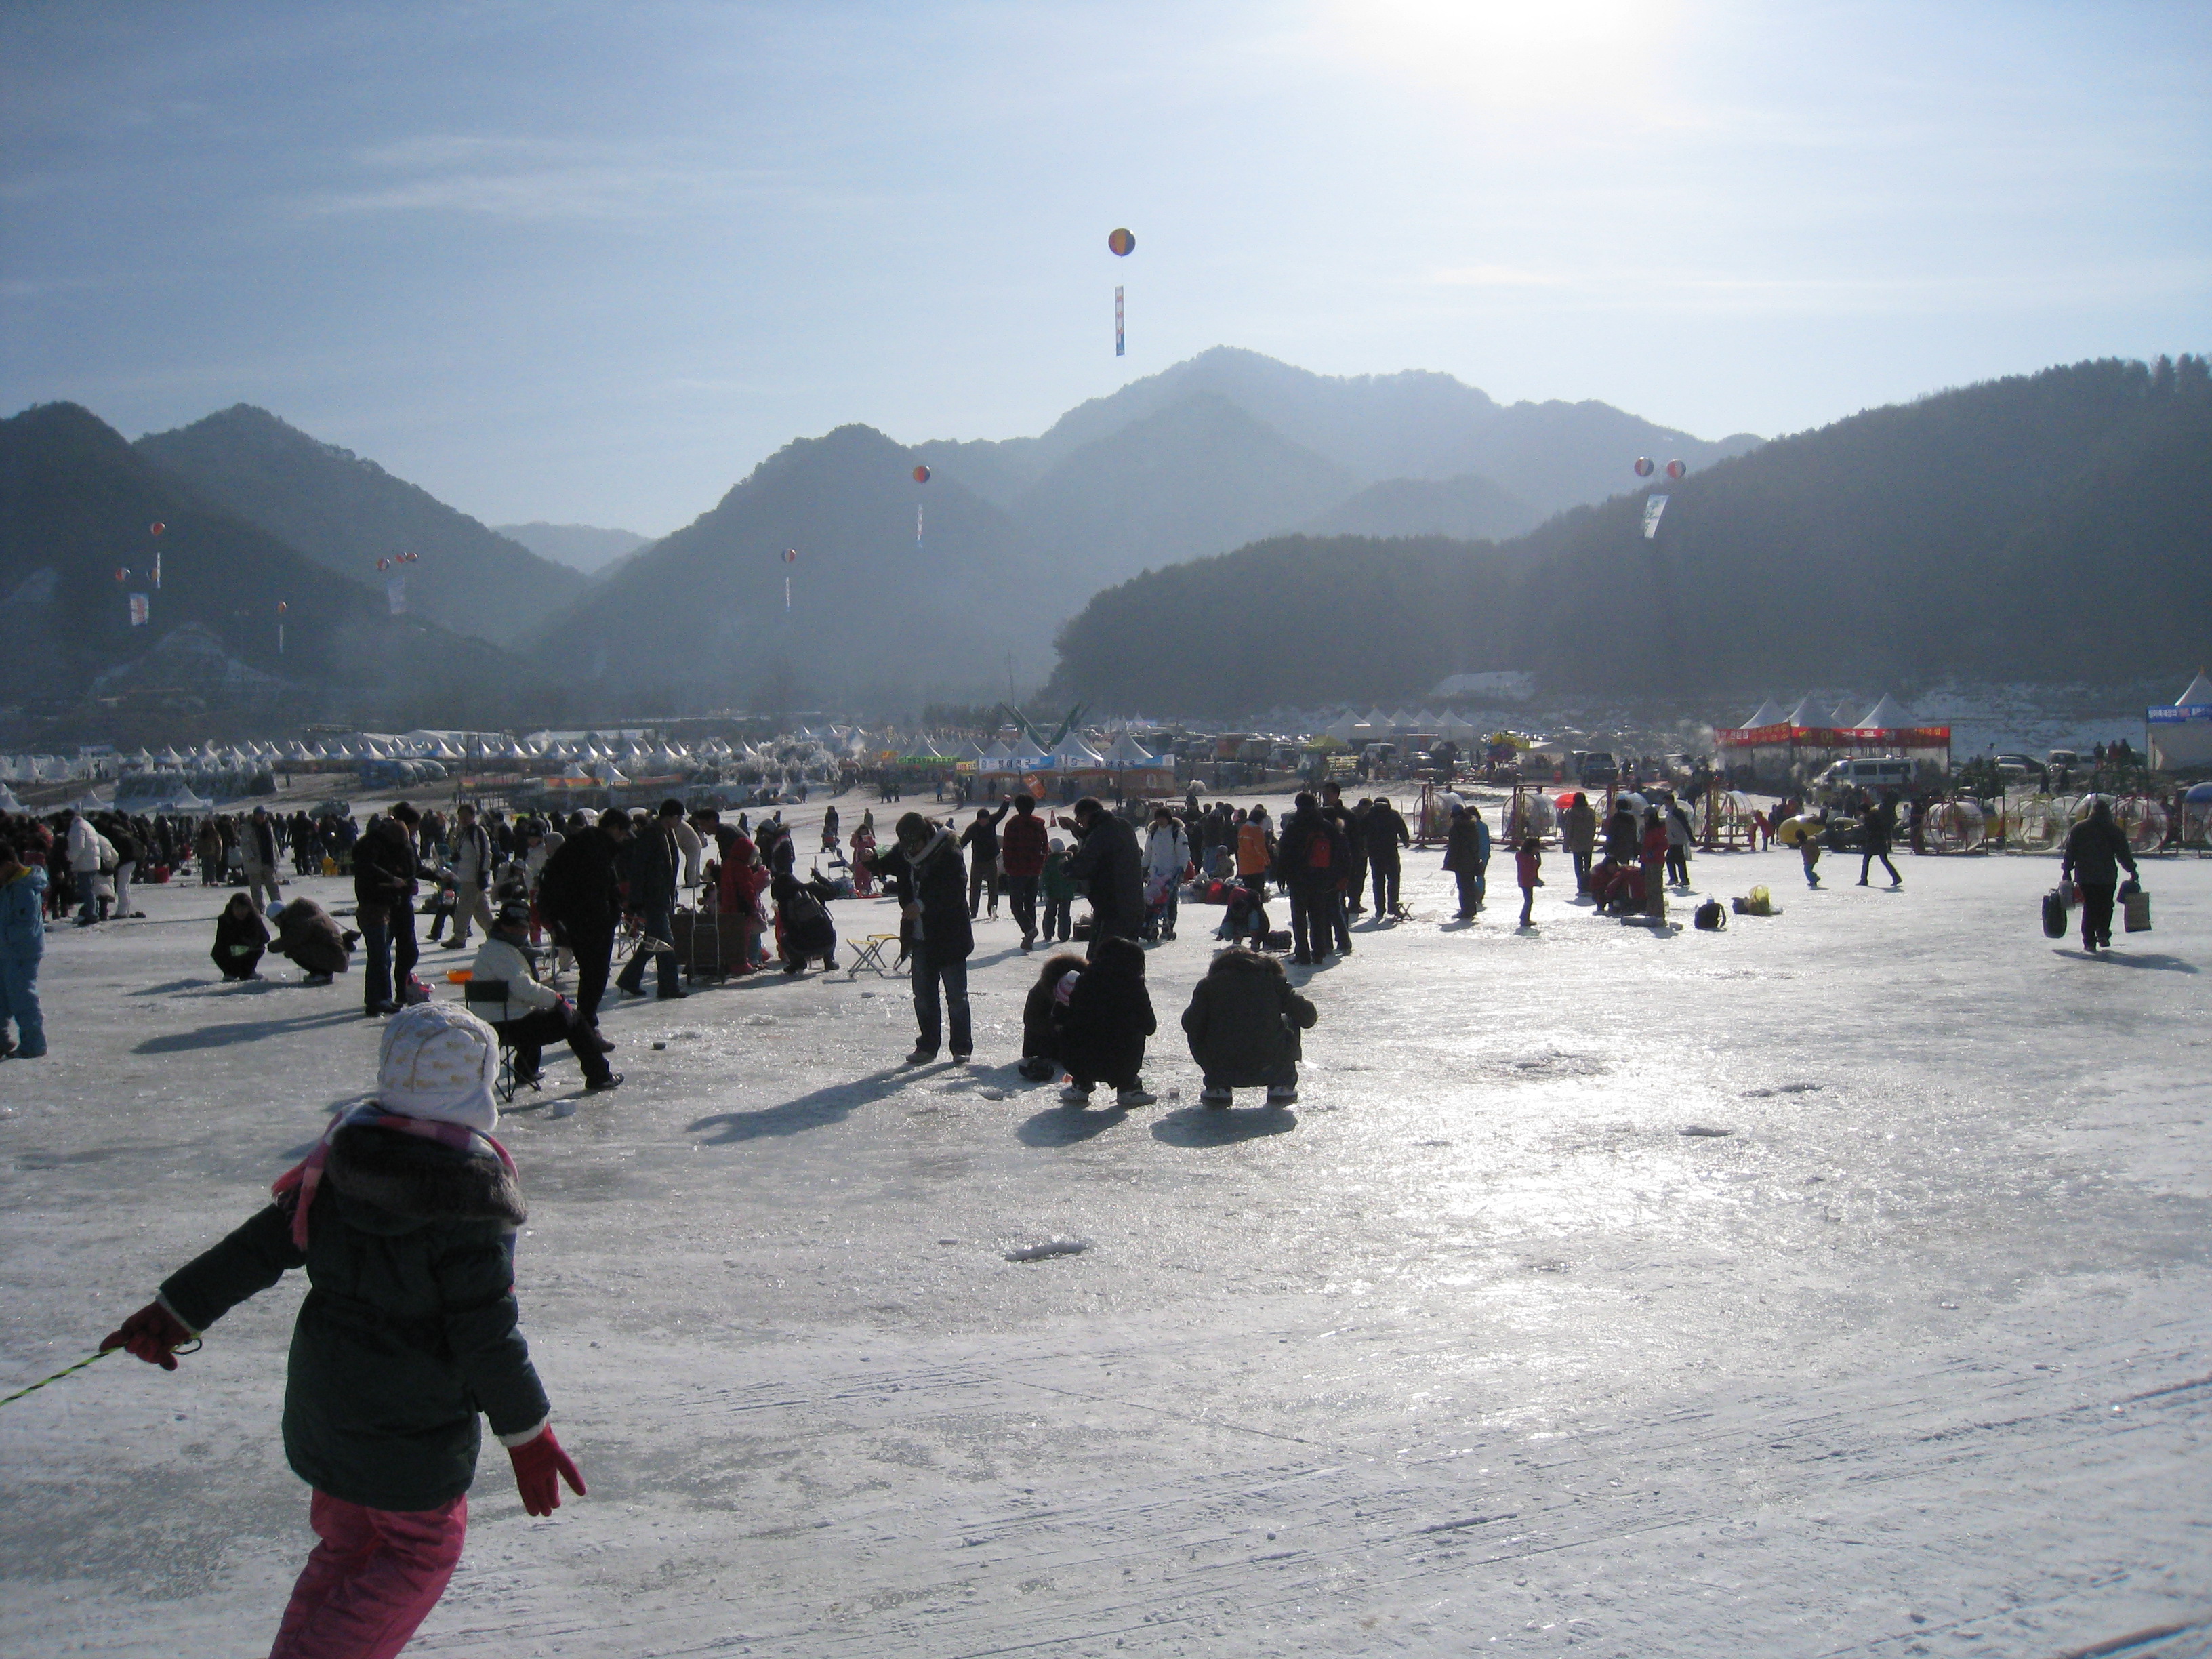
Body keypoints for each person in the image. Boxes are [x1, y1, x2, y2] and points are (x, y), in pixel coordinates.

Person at [99, 1002, 585, 1659]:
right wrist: (528, 1435)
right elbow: (486, 1335)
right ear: (477, 1088)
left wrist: (174, 1312)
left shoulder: (340, 1162)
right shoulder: (468, 1201)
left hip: (326, 1408)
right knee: (421, 1551)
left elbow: (258, 1248)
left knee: (349, 1545)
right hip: (409, 1432)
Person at [470, 902, 620, 1090]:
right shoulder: (501, 953)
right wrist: (558, 1000)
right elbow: (525, 989)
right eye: (511, 926)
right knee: (573, 1019)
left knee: (534, 1011)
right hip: (504, 1026)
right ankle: (600, 1076)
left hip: (496, 1020)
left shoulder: (495, 947)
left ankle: (526, 1071)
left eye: (521, 927)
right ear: (501, 925)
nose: (516, 931)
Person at [865, 812, 973, 1064]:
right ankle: (927, 1046)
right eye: (907, 846)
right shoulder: (906, 851)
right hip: (920, 936)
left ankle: (961, 1047)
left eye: (914, 845)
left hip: (950, 935)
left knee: (957, 997)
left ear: (926, 836)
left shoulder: (948, 851)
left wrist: (923, 905)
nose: (911, 850)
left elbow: (954, 890)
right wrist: (871, 860)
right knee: (923, 997)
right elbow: (888, 864)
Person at [1183, 945, 1316, 1108]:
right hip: (1269, 1065)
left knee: (1198, 1023)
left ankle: (1217, 1087)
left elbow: (1189, 1024)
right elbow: (1308, 1017)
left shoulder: (1208, 985)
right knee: (1291, 1019)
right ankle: (1282, 1084)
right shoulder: (1273, 981)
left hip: (1222, 1068)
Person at [533, 809, 631, 1026]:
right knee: (594, 975)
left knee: (593, 975)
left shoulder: (588, 844)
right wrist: (606, 916)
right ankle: (585, 1027)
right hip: (588, 921)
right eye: (624, 832)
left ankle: (586, 1024)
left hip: (582, 919)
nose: (624, 838)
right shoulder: (593, 848)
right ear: (615, 828)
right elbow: (593, 890)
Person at [1054, 933, 1156, 1107]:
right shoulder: (1133, 987)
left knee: (1076, 1030)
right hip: (1121, 1060)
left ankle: (1081, 1084)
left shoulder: (1083, 982)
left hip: (1080, 1059)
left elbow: (1065, 1016)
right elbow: (1149, 1026)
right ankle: (1128, 1088)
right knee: (1132, 1032)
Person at [613, 801, 686, 1002]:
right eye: (679, 818)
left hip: (661, 895)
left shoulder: (665, 833)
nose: (680, 822)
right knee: (666, 943)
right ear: (670, 816)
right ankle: (669, 986)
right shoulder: (651, 834)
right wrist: (636, 899)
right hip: (653, 896)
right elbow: (638, 868)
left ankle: (629, 979)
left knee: (653, 942)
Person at [355, 803, 422, 1018]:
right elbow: (368, 870)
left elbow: (413, 867)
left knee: (384, 955)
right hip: (375, 906)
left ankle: (384, 997)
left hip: (387, 904)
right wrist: (391, 879)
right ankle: (378, 1000)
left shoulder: (395, 845)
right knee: (379, 956)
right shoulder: (374, 846)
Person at [1274, 794, 1351, 966]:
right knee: (1318, 916)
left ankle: (1303, 953)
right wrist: (1335, 875)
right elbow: (1340, 851)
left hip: (1298, 878)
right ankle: (1319, 952)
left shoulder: (1294, 825)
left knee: (1300, 918)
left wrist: (1281, 876)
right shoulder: (1325, 825)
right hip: (1321, 878)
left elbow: (1284, 853)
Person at [1065, 797, 1143, 956]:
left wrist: (1065, 866)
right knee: (1128, 959)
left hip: (1112, 906)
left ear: (1087, 814)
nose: (1079, 822)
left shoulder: (1101, 833)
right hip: (1133, 903)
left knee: (1100, 958)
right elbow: (1095, 841)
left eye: (1079, 818)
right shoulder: (1122, 825)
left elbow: (1085, 863)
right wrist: (1075, 829)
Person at [2062, 796, 2138, 953]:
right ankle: (2103, 933)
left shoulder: (2079, 828)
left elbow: (2071, 852)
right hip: (2107, 876)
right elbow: (2123, 854)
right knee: (2106, 905)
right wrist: (2132, 870)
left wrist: (2067, 871)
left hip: (2085, 875)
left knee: (2090, 907)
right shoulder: (2113, 830)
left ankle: (2089, 941)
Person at [0, 839, 47, 1059]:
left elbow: (26, 926)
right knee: (2, 997)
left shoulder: (23, 889)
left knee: (22, 998)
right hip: (7, 951)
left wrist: (4, 937)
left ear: (8, 865)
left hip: (21, 953)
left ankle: (33, 1044)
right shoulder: (10, 886)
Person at [1018, 950, 1086, 1082]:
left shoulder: (1087, 987)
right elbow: (1032, 1020)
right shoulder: (1040, 992)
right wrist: (1054, 1027)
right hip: (1044, 1037)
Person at [444, 804, 496, 950]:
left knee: (463, 909)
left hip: (473, 878)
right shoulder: (464, 833)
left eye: (466, 816)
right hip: (465, 877)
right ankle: (496, 937)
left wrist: (483, 874)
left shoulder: (477, 832)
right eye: (461, 816)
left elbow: (485, 854)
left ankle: (459, 937)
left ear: (473, 816)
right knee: (481, 911)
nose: (463, 819)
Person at [1000, 794, 1048, 949]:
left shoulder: (1013, 824)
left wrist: (1008, 867)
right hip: (1034, 870)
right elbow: (1045, 846)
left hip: (1017, 870)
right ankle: (1030, 936)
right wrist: (1040, 864)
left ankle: (1029, 930)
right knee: (1030, 904)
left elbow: (1007, 848)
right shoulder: (1039, 824)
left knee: (1016, 906)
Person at [270, 897, 355, 985]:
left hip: (335, 957)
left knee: (294, 950)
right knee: (294, 948)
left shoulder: (302, 921)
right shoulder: (307, 914)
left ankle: (322, 973)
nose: (276, 924)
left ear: (281, 916)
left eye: (275, 921)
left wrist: (271, 947)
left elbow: (290, 941)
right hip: (336, 953)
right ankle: (321, 972)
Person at [770, 867, 838, 974]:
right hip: (827, 943)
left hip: (801, 947)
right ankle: (829, 961)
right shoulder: (810, 888)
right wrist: (819, 877)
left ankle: (798, 963)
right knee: (830, 929)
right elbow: (833, 892)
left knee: (784, 938)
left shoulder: (785, 902)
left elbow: (787, 927)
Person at [1141, 805, 1189, 941]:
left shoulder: (1177, 834)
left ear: (1168, 819)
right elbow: (1148, 852)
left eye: (1163, 819)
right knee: (1152, 901)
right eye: (1158, 819)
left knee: (1169, 902)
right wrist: (1143, 867)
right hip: (1155, 874)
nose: (1160, 821)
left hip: (1171, 874)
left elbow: (1183, 854)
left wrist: (1181, 869)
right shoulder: (1153, 834)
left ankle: (1168, 926)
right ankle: (1151, 924)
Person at [1362, 796, 1411, 919]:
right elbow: (1402, 828)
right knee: (1393, 880)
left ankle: (1380, 909)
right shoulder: (1393, 815)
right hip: (1390, 853)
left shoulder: (1369, 816)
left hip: (1376, 854)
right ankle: (1392, 907)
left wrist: (1364, 848)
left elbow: (1361, 832)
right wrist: (1405, 840)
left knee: (1379, 882)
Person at [960, 803, 1006, 920]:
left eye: (986, 820)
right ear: (978, 820)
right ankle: (973, 911)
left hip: (991, 860)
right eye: (982, 821)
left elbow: (1001, 813)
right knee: (975, 887)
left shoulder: (992, 821)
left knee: (993, 887)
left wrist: (1006, 802)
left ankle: (993, 910)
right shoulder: (973, 829)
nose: (984, 823)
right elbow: (963, 841)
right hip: (978, 862)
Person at [213, 892, 270, 981]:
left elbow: (266, 938)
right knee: (218, 951)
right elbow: (220, 942)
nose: (240, 911)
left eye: (244, 908)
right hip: (231, 950)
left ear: (249, 909)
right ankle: (230, 972)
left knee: (259, 948)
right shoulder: (225, 919)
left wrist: (251, 941)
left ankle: (248, 972)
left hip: (249, 950)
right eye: (237, 908)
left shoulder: (254, 918)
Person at [1441, 804, 1483, 921]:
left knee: (1463, 887)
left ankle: (1466, 911)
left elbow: (1454, 848)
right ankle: (1471, 909)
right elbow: (1476, 844)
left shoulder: (1456, 828)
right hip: (1472, 860)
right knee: (1469, 885)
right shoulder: (1472, 826)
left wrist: (1449, 862)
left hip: (1460, 862)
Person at [241, 804, 284, 914]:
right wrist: (250, 855)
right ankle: (258, 907)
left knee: (273, 885)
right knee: (256, 887)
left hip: (268, 861)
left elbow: (274, 843)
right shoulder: (248, 828)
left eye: (263, 815)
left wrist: (276, 857)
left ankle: (278, 905)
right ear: (255, 816)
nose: (262, 817)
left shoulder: (268, 826)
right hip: (254, 862)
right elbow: (245, 844)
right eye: (260, 815)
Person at [1858, 792, 1902, 888]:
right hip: (1879, 841)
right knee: (1883, 861)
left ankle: (1864, 880)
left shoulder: (1872, 818)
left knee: (1867, 861)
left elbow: (1873, 830)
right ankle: (1896, 878)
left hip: (1875, 842)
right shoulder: (1875, 816)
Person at [1040, 836, 1077, 944]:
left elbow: (1045, 877)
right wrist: (1072, 889)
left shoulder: (1049, 861)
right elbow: (1074, 876)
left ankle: (1048, 934)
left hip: (1052, 892)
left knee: (1050, 913)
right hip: (1066, 893)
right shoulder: (1070, 859)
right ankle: (1064, 935)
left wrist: (1044, 889)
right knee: (1065, 914)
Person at [1664, 798, 1694, 887]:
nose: (1665, 804)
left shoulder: (1677, 812)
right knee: (1677, 860)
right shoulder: (1670, 812)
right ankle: (1679, 879)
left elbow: (1685, 824)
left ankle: (1678, 879)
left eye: (1666, 802)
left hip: (1677, 839)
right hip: (1673, 839)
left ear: (1670, 801)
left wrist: (1691, 837)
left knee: (1672, 860)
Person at [1515, 836, 1544, 928]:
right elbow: (1532, 870)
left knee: (1528, 900)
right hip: (1527, 881)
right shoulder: (1528, 858)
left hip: (1525, 881)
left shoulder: (1523, 856)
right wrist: (1536, 880)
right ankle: (1524, 919)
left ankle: (1524, 917)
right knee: (1529, 901)